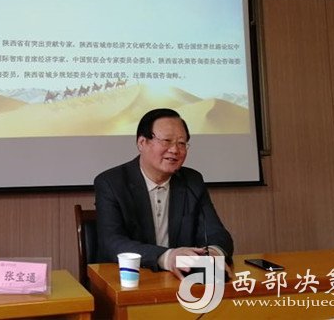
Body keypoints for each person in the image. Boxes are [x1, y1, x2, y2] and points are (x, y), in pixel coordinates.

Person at [94, 108, 233, 280]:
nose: (175, 150)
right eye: (167, 141)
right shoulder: (111, 183)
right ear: (142, 143)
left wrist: (212, 254)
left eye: (181, 143)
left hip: (180, 280)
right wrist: (167, 257)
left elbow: (217, 233)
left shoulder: (192, 181)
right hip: (128, 279)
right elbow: (111, 242)